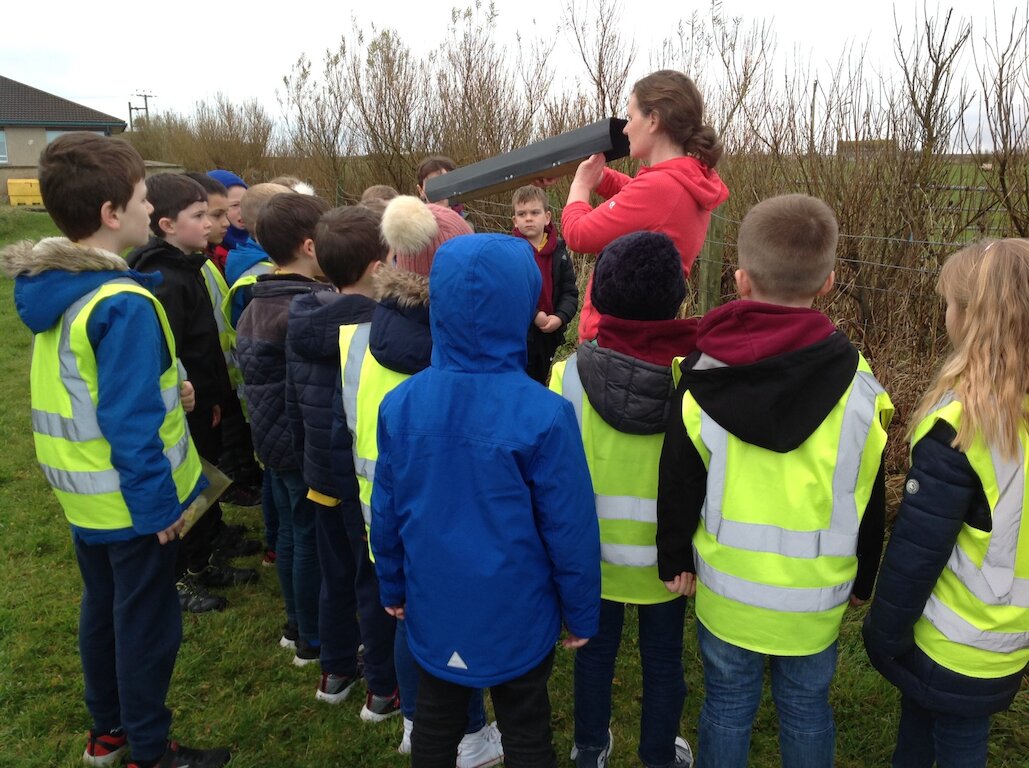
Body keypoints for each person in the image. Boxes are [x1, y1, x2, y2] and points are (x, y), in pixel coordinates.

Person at [1, 132, 230, 767]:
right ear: (110, 214)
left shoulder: (58, 288)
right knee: (146, 627)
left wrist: (173, 392)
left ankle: (107, 733)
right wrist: (161, 511)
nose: (142, 207)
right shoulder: (122, 301)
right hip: (135, 506)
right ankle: (149, 751)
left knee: (102, 611)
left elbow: (93, 390)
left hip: (87, 500)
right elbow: (128, 420)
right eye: (138, 198)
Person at [656, 194, 893, 768]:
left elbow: (678, 479)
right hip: (816, 600)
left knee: (728, 706)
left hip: (729, 593)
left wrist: (672, 558)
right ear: (829, 282)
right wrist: (866, 571)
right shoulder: (863, 390)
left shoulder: (700, 376)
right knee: (808, 708)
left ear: (740, 280)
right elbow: (869, 495)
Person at [371, 231, 601, 768]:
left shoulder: (401, 404)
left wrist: (392, 583)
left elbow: (387, 509)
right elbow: (570, 528)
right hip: (518, 611)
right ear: (524, 302)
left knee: (436, 719)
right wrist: (582, 613)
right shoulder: (543, 413)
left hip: (434, 602)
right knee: (525, 726)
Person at [337, 196, 505, 766]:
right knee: (452, 615)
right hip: (445, 508)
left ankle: (415, 721)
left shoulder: (358, 333)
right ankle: (472, 732)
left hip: (379, 505)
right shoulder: (453, 349)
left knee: (407, 614)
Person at [863, 239, 1029, 768]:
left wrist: (882, 633)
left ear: (974, 319)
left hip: (951, 638)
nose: (945, 314)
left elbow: (916, 552)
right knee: (927, 730)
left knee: (956, 743)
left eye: (950, 304)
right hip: (1012, 633)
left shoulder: (960, 430)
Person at [550, 231, 697, 768]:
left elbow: (552, 477)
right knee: (663, 661)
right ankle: (659, 753)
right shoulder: (694, 378)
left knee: (592, 655)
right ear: (678, 298)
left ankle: (590, 747)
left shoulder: (565, 378)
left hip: (592, 560)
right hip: (667, 561)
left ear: (598, 295)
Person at [127, 174, 260, 615]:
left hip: (207, 399)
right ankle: (181, 574)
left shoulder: (189, 266)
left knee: (202, 476)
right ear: (166, 224)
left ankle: (203, 557)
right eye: (199, 216)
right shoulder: (162, 278)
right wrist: (197, 400)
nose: (210, 224)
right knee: (184, 485)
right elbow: (172, 351)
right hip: (186, 406)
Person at [284, 205, 398, 710]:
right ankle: (382, 686)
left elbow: (293, 400)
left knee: (335, 578)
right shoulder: (380, 329)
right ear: (378, 266)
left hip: (318, 474)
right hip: (360, 481)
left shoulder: (303, 317)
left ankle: (334, 672)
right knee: (371, 581)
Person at [561, 69, 729, 342]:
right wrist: (598, 175)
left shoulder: (661, 187)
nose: (626, 128)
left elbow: (578, 234)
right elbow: (636, 197)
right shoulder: (685, 180)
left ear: (653, 120)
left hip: (609, 341)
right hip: (639, 338)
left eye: (630, 117)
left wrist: (580, 187)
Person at [236, 192, 332, 665]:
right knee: (309, 536)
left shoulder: (259, 301)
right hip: (299, 444)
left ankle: (296, 625)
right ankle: (313, 637)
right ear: (312, 247)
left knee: (293, 534)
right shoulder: (305, 308)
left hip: (270, 439)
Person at [184, 171, 262, 508]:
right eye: (216, 213)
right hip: (204, 382)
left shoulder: (206, 260)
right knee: (215, 445)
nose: (228, 220)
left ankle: (233, 484)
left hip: (222, 372)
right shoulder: (189, 269)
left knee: (228, 438)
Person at [510, 185, 578, 384]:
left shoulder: (560, 252)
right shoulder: (510, 252)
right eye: (522, 214)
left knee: (540, 379)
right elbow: (509, 295)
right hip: (520, 334)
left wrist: (560, 317)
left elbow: (569, 292)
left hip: (550, 334)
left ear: (547, 217)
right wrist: (534, 314)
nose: (528, 218)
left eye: (534, 212)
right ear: (515, 220)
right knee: (520, 380)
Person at [206, 169, 249, 251]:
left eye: (247, 203)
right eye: (235, 205)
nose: (243, 210)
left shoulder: (263, 241)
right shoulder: (207, 252)